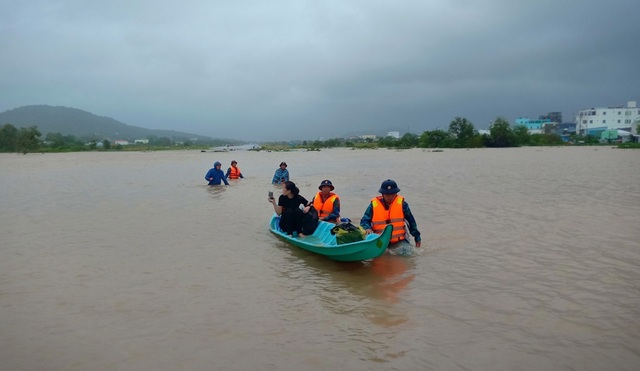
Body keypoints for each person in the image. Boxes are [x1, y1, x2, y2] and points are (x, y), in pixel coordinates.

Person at [360, 179, 421, 247]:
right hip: (379, 240)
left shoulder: (403, 205)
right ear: (382, 194)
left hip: (399, 241)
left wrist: (417, 238)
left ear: (396, 193)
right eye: (387, 195)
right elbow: (364, 221)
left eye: (392, 194)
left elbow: (411, 222)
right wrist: (367, 228)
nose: (390, 197)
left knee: (407, 253)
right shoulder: (373, 206)